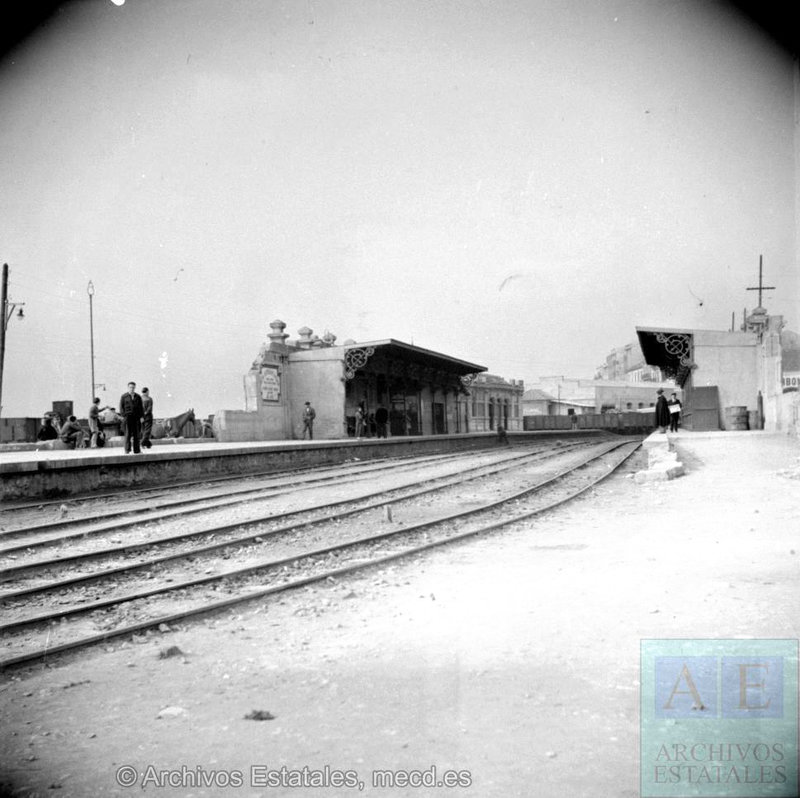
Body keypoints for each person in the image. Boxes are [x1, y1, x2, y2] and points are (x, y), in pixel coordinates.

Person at [119, 381, 145, 453]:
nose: (132, 389)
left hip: (136, 418)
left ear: (135, 388)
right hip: (128, 417)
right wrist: (124, 416)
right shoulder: (124, 396)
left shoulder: (138, 397)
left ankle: (137, 450)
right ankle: (127, 450)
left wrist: (142, 416)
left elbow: (141, 408)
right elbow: (121, 407)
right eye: (130, 387)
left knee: (137, 434)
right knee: (128, 434)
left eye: (133, 387)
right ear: (128, 388)